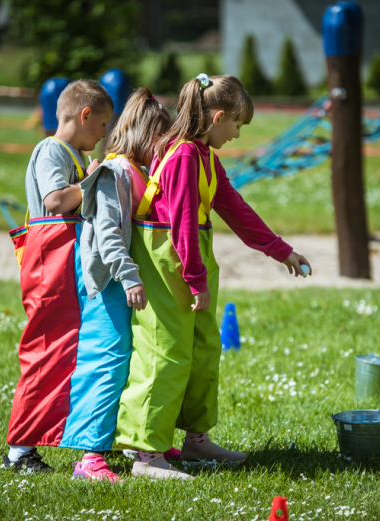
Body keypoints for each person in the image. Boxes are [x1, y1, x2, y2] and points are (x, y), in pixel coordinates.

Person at [115, 74, 312, 480]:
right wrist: (196, 281)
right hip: (168, 261)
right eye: (237, 125)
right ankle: (145, 455)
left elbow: (237, 211)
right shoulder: (184, 156)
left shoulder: (206, 157)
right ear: (217, 116)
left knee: (204, 348)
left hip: (191, 259)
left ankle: (195, 440)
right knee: (164, 352)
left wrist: (281, 250)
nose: (238, 134)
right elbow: (182, 225)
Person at [3, 79, 112, 474]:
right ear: (84, 116)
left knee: (67, 354)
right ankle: (18, 451)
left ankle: (73, 436)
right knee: (45, 352)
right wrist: (93, 180)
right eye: (102, 125)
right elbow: (55, 200)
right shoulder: (52, 150)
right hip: (48, 266)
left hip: (67, 265)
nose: (103, 134)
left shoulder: (74, 156)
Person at [70, 86, 174, 482]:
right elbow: (109, 235)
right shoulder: (114, 173)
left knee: (127, 363)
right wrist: (130, 276)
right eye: (161, 143)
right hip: (108, 286)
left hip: (120, 285)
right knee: (105, 365)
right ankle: (89, 459)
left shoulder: (135, 172)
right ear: (146, 137)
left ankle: (131, 441)